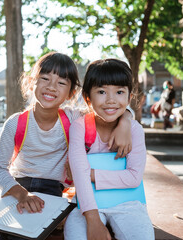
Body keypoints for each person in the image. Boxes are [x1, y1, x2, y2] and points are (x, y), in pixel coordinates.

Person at [0, 52, 133, 240]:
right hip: (17, 186)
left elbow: (110, 108)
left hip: (51, 190)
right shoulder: (15, 123)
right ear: (30, 83)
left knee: (29, 233)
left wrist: (125, 122)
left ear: (71, 92)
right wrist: (22, 194)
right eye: (44, 78)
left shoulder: (73, 118)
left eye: (61, 82)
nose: (51, 87)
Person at [64, 59, 154, 240]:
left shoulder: (134, 130)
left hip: (128, 203)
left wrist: (90, 174)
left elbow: (134, 178)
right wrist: (93, 219)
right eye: (102, 91)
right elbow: (78, 178)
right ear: (87, 97)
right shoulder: (79, 127)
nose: (111, 100)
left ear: (129, 98)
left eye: (119, 92)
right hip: (86, 202)